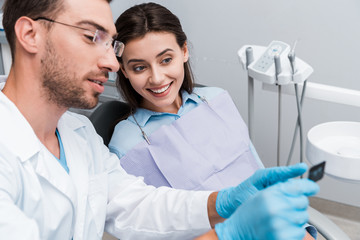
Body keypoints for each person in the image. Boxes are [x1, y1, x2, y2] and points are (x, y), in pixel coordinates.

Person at [0, 0, 319, 239]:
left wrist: (220, 203)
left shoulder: (80, 135)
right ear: (30, 34)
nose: (112, 62)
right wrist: (229, 234)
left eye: (112, 44)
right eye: (91, 36)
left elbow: (136, 204)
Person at [109, 3, 317, 239]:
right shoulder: (126, 145)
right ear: (124, 70)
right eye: (139, 67)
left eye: (166, 60)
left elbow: (254, 166)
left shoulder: (216, 98)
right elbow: (150, 226)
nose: (156, 78)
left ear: (184, 51)